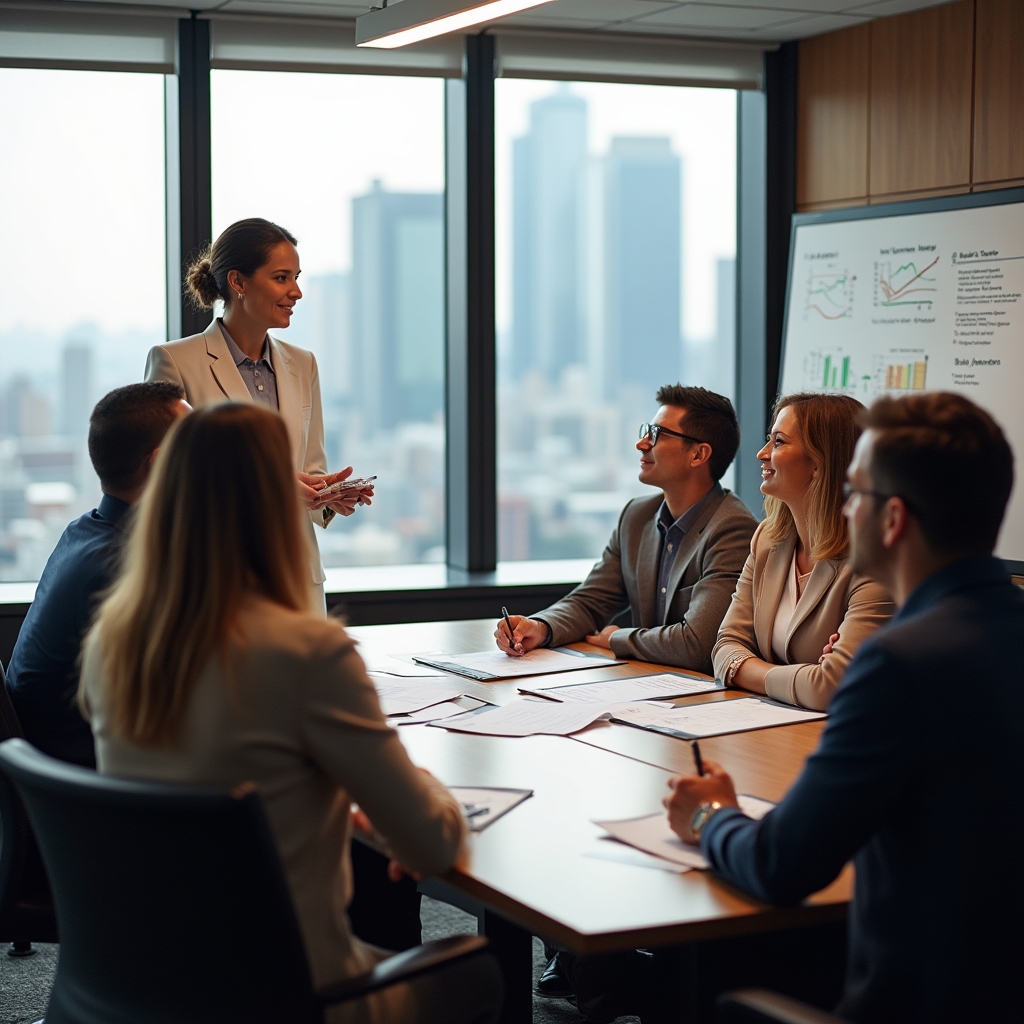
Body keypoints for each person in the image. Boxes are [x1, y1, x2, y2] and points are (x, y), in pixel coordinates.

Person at [78, 403, 501, 1024]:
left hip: (152, 982)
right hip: (294, 993)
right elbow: (434, 845)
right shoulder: (306, 651)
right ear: (270, 505)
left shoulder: (112, 641)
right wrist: (424, 789)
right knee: (476, 973)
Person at [665, 392, 1023, 1023]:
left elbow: (780, 865)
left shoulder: (899, 664)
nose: (844, 508)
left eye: (855, 492)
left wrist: (709, 817)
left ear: (893, 522)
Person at [145, 217, 373, 614]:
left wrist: (328, 496)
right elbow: (163, 479)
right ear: (238, 282)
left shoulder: (304, 365)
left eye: (296, 277)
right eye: (282, 277)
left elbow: (308, 469)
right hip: (219, 577)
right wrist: (277, 486)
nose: (296, 291)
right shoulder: (174, 362)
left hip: (296, 578)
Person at [496, 386, 757, 672]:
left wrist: (615, 638)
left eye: (656, 434)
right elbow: (591, 601)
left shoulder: (732, 529)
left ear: (698, 455)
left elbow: (697, 644)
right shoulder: (637, 516)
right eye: (646, 430)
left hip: (707, 697)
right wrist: (540, 627)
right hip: (647, 683)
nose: (641, 444)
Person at [6, 382, 189, 767]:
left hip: (54, 782)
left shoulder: (85, 530)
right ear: (159, 463)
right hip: (92, 792)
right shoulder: (121, 568)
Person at [712, 392, 894, 710]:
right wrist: (802, 678)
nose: (761, 453)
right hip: (771, 727)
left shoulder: (875, 561)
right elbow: (725, 645)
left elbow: (829, 689)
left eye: (779, 442)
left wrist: (751, 671)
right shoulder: (767, 540)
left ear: (819, 463)